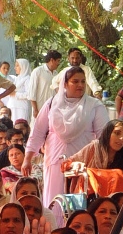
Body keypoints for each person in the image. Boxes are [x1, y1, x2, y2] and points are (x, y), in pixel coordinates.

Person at [28, 66, 109, 204]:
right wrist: (27, 158)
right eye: (75, 81)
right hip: (55, 161)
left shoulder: (94, 105)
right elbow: (38, 132)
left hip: (82, 164)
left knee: (78, 204)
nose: (80, 85)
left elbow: (104, 138)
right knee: (55, 201)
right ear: (64, 84)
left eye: (83, 82)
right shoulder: (52, 103)